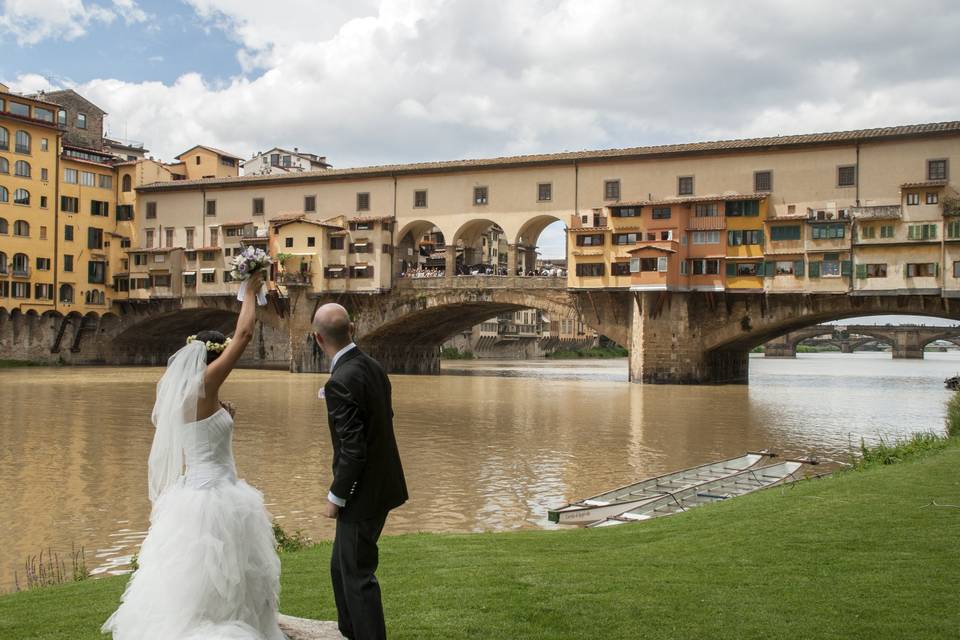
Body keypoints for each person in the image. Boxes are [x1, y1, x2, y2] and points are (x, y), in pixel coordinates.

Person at [102, 273, 286, 640]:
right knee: (229, 571)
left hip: (195, 489)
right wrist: (250, 292)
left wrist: (222, 418)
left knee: (195, 575)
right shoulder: (204, 385)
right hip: (217, 495)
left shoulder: (187, 395)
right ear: (213, 359)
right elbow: (244, 335)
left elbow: (201, 439)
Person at [313, 304, 408, 640]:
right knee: (341, 567)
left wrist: (335, 496)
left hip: (361, 492)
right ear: (351, 329)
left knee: (357, 575)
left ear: (317, 338)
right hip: (383, 485)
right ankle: (349, 631)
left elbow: (353, 449)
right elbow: (383, 422)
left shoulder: (340, 381)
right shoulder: (374, 368)